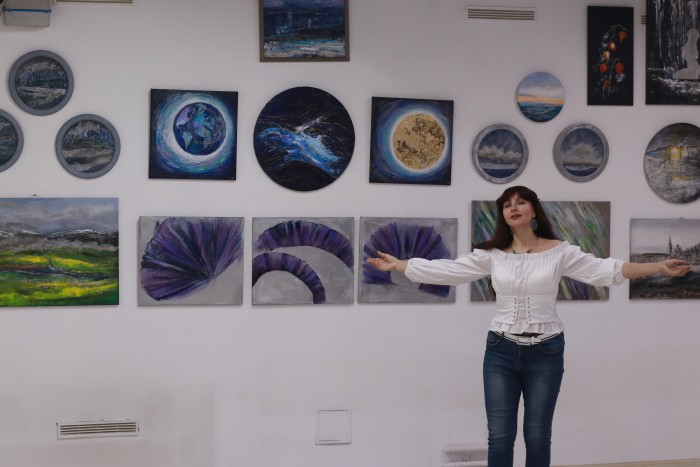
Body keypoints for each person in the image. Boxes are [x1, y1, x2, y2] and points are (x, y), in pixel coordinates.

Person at [366, 185, 692, 467]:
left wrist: (658, 266)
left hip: (546, 351)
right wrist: (401, 265)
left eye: (520, 202)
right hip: (500, 350)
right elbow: (449, 270)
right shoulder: (492, 254)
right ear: (503, 215)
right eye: (507, 205)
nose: (513, 207)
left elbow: (607, 270)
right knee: (500, 436)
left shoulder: (560, 251)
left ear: (533, 210)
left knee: (537, 436)